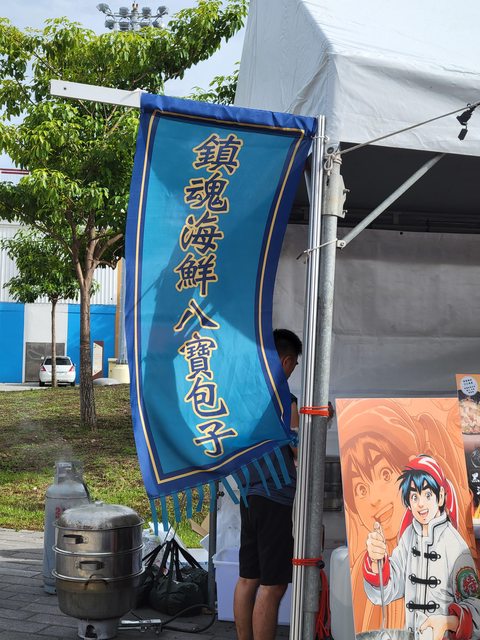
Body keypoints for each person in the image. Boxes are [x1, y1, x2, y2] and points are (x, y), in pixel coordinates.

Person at [364, 455, 480, 640]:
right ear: (408, 503)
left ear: (440, 497)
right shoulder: (408, 537)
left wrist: (448, 622)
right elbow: (391, 586)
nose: (421, 503)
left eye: (427, 495)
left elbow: (476, 609)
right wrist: (376, 562)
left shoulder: (455, 546)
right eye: (414, 496)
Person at [233, 328, 301, 640]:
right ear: (286, 361)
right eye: (294, 364)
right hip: (275, 496)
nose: (293, 370)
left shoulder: (243, 395)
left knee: (248, 577)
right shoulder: (285, 400)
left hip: (248, 494)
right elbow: (298, 450)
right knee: (272, 585)